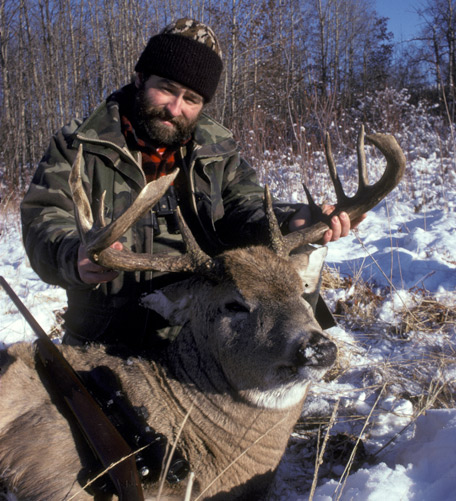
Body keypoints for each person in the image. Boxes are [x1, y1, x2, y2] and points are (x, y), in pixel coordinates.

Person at [21, 18, 358, 349]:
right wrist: (73, 255)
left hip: (201, 338)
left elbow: (244, 207)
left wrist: (292, 220)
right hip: (105, 338)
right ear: (140, 78)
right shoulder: (80, 143)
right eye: (166, 88)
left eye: (192, 99)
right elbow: (44, 218)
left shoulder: (216, 148)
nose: (174, 108)